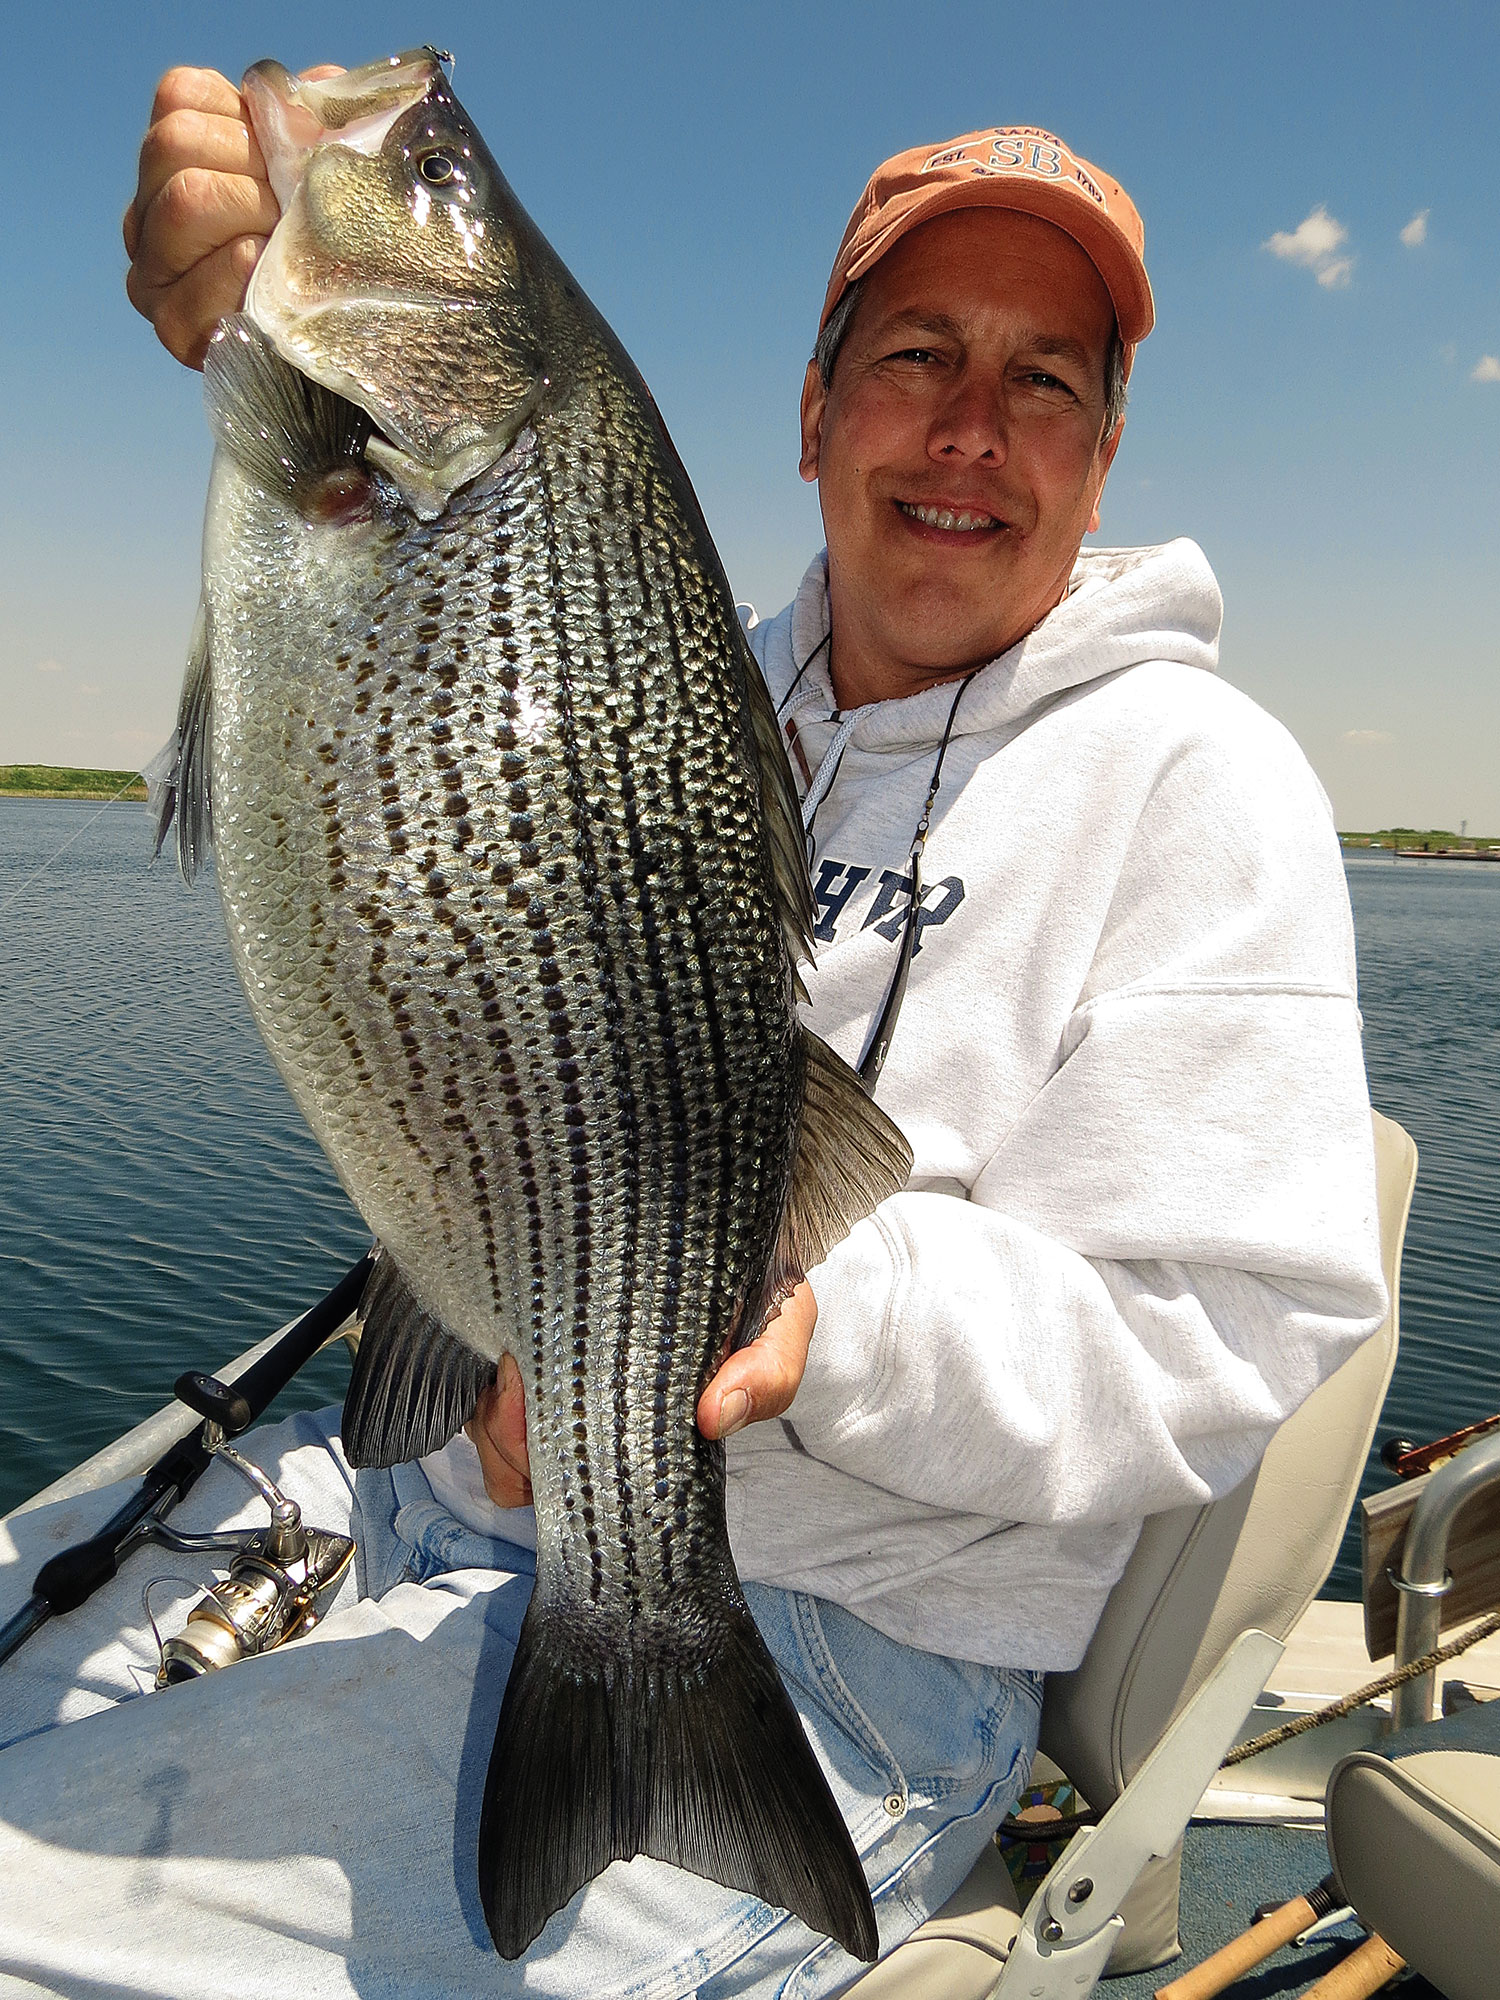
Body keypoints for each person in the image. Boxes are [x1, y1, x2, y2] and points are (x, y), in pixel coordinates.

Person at [0, 66, 1387, 2000]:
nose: (974, 430)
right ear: (815, 413)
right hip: (442, 1475)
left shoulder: (1201, 783)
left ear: (1104, 445)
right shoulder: (690, 672)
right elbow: (375, 824)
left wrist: (829, 1312)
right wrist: (261, 344)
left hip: (844, 1650)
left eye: (1046, 380)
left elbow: (1235, 1325)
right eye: (918, 354)